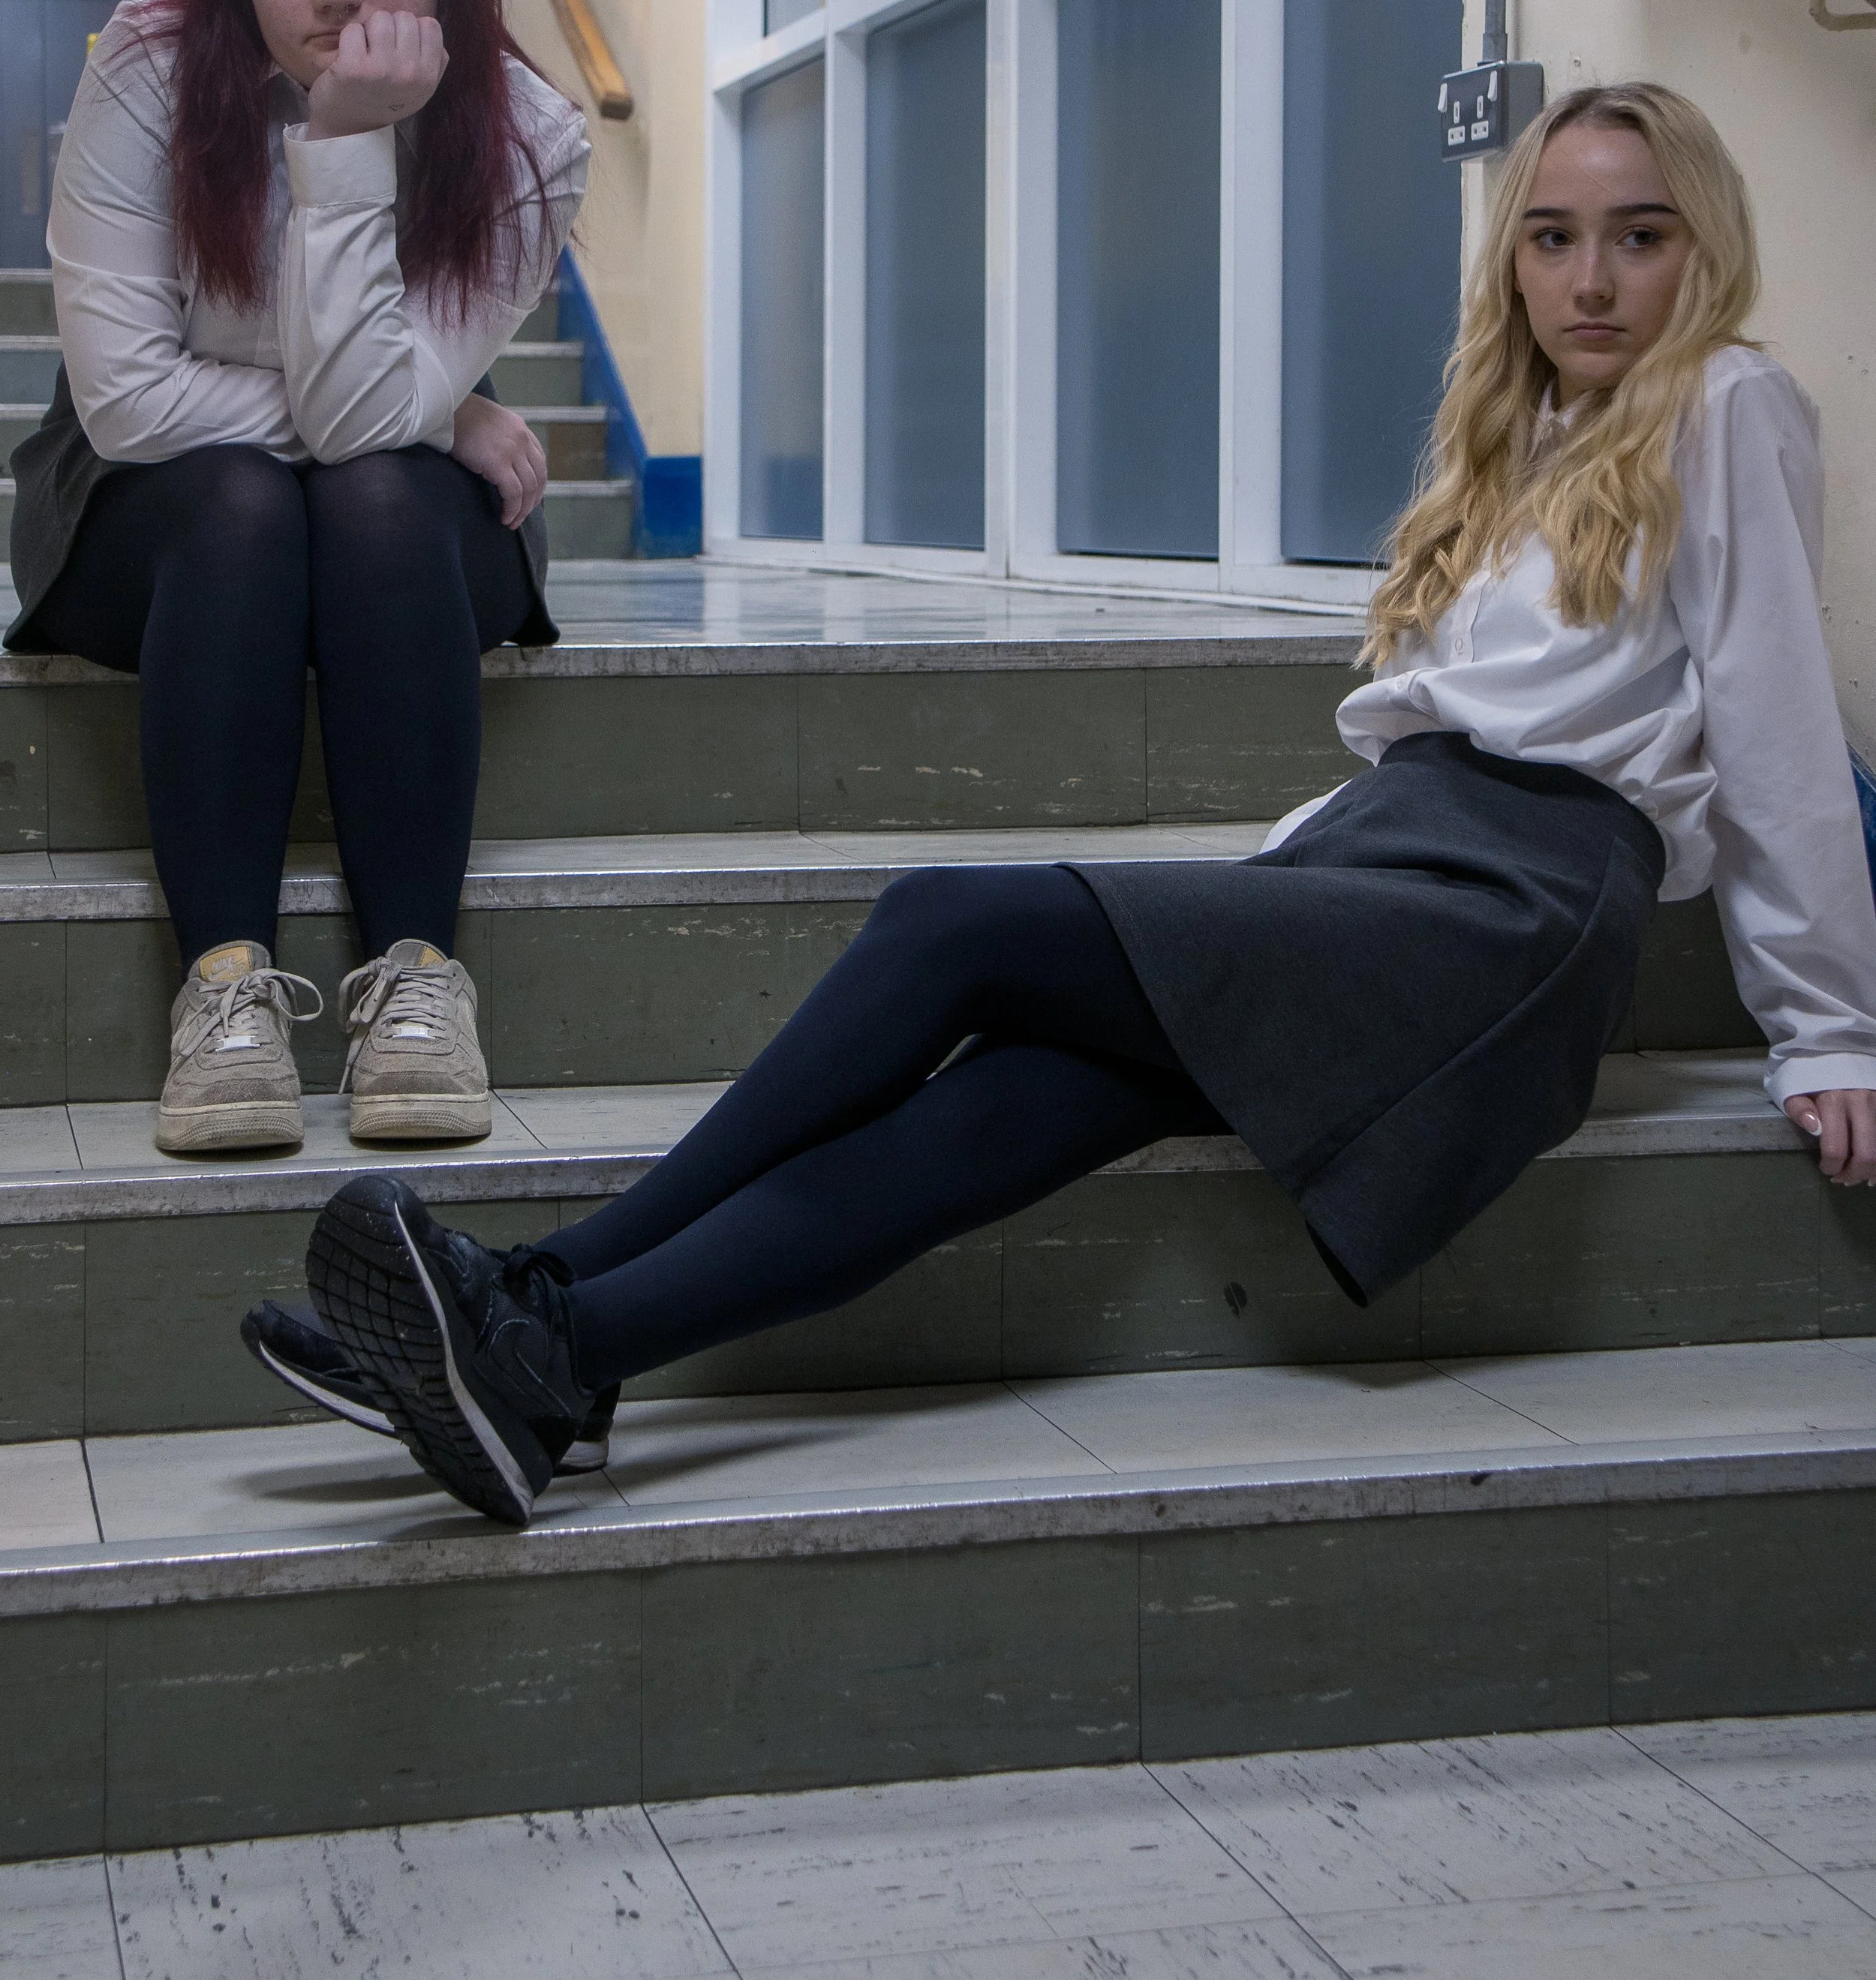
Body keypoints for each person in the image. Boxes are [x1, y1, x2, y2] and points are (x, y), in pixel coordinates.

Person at [288, 80, 1876, 1527]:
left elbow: (1776, 723)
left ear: (1704, 250)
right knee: (1027, 1092)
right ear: (1513, 260)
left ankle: (532, 1299)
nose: (1592, 280)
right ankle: (561, 1355)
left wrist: (1827, 1027)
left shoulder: (1727, 404)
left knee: (949, 925)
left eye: (1639, 237)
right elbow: (1436, 733)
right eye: (1553, 237)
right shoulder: (1518, 433)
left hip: (1511, 915)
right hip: (1389, 858)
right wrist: (1268, 887)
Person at [7, 0, 588, 1161]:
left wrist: (345, 147)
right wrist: (441, 413)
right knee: (248, 498)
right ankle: (224, 993)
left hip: (400, 520)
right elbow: (132, 402)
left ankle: (417, 986)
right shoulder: (147, 72)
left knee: (372, 493)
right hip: (148, 506)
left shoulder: (529, 135)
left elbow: (362, 435)